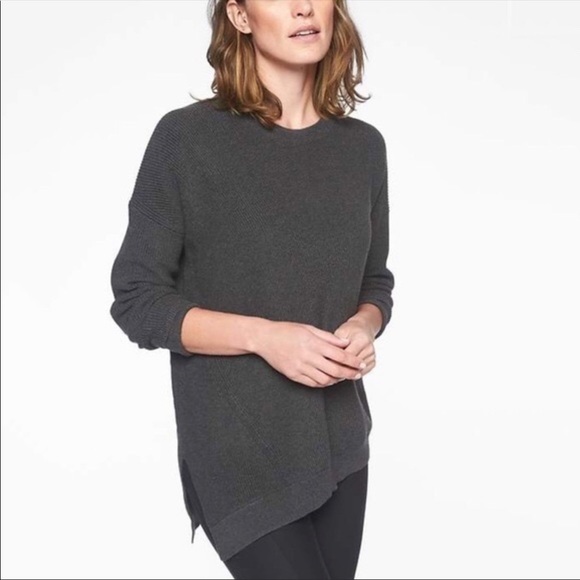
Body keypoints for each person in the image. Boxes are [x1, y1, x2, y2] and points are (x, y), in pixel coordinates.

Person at [109, 0, 395, 577]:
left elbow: (375, 280)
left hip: (339, 442)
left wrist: (365, 325)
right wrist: (265, 338)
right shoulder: (187, 140)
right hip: (239, 450)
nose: (303, 7)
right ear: (239, 16)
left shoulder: (362, 147)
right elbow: (137, 298)